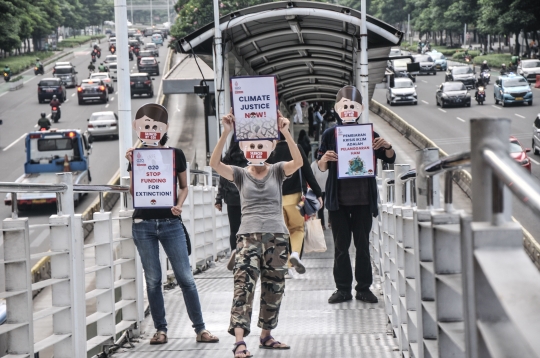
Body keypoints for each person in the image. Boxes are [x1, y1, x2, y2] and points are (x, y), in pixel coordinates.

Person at [210, 109, 302, 358]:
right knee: (244, 286)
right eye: (252, 145)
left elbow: (299, 162)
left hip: (277, 238)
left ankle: (266, 335)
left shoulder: (277, 170)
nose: (257, 149)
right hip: (248, 237)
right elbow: (215, 164)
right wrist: (226, 132)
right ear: (245, 147)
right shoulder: (240, 174)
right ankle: (240, 342)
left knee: (274, 287)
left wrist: (285, 132)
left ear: (271, 148)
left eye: (262, 145)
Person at [125, 103, 219, 345]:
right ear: (138, 128)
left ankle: (200, 329)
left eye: (155, 126)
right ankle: (160, 329)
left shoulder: (175, 154)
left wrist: (179, 204)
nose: (150, 130)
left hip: (170, 222)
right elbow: (135, 191)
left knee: (185, 277)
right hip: (143, 224)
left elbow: (185, 186)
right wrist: (134, 164)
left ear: (163, 128)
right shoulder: (137, 156)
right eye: (145, 126)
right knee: (154, 280)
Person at [317, 85, 396, 305]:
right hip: (338, 202)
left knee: (363, 246)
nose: (349, 109)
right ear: (337, 109)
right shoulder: (329, 134)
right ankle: (342, 289)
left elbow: (389, 158)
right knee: (341, 247)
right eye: (345, 106)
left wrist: (387, 146)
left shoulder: (369, 134)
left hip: (363, 200)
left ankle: (363, 288)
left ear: (360, 109)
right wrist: (325, 160)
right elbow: (320, 165)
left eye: (353, 106)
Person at [267, 131, 323, 278]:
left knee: (281, 233)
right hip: (295, 198)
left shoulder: (268, 150)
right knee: (297, 229)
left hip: (275, 199)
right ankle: (295, 255)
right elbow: (307, 172)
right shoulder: (296, 148)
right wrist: (318, 193)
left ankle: (286, 267)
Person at [215, 136, 248, 271]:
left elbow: (222, 180)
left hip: (231, 198)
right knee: (248, 229)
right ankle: (246, 255)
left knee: (234, 229)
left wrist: (218, 199)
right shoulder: (249, 159)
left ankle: (235, 250)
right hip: (247, 198)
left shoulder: (228, 159)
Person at [311, 159, 329, 229]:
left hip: (328, 188)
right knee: (320, 207)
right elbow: (311, 177)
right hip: (319, 189)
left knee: (330, 205)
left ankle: (330, 222)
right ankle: (322, 224)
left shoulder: (328, 163)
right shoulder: (313, 165)